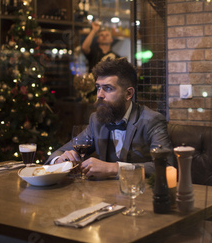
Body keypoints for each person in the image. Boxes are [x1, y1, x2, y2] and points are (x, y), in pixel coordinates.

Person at [47, 57, 175, 179]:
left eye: (108, 88)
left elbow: (167, 167)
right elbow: (59, 152)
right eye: (98, 88)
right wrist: (60, 160)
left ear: (128, 93)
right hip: (104, 197)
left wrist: (113, 168)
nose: (99, 95)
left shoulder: (152, 120)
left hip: (140, 196)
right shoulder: (96, 120)